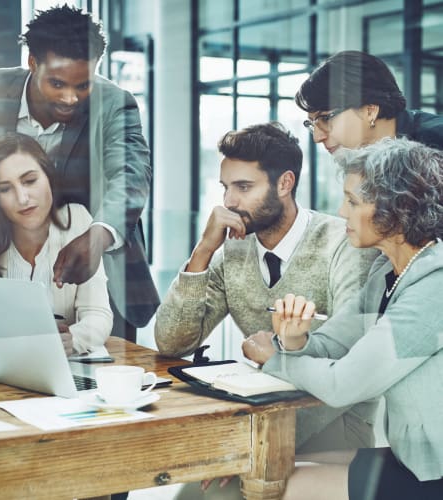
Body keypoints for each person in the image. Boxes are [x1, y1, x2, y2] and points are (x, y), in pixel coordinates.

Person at [154, 122, 379, 499]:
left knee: (218, 493)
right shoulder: (234, 251)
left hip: (334, 418)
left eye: (244, 187)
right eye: (225, 187)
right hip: (260, 413)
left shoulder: (344, 244)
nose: (229, 202)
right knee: (190, 493)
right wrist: (203, 252)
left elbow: (346, 360)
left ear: (285, 183)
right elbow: (172, 340)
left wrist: (248, 446)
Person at [243, 137, 443, 500]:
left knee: (285, 486)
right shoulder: (388, 270)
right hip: (412, 458)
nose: (340, 212)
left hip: (433, 474)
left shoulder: (435, 289)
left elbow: (343, 384)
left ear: (396, 208)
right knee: (275, 464)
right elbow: (332, 343)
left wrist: (274, 359)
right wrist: (293, 340)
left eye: (353, 201)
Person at [0, 4, 159, 343]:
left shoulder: (114, 103)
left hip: (96, 281)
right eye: (58, 83)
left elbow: (131, 174)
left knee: (105, 388)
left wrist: (99, 235)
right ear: (32, 62)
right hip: (8, 270)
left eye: (83, 85)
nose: (71, 98)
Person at [0, 132, 113, 356]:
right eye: (5, 189)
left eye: (30, 181)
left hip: (62, 370)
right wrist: (24, 343)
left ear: (48, 176)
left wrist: (72, 341)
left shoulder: (78, 219)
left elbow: (98, 315)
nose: (22, 198)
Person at [295, 50, 443, 154]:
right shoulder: (365, 154)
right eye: (313, 124)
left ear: (370, 111)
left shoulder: (435, 145)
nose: (317, 138)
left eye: (325, 119)